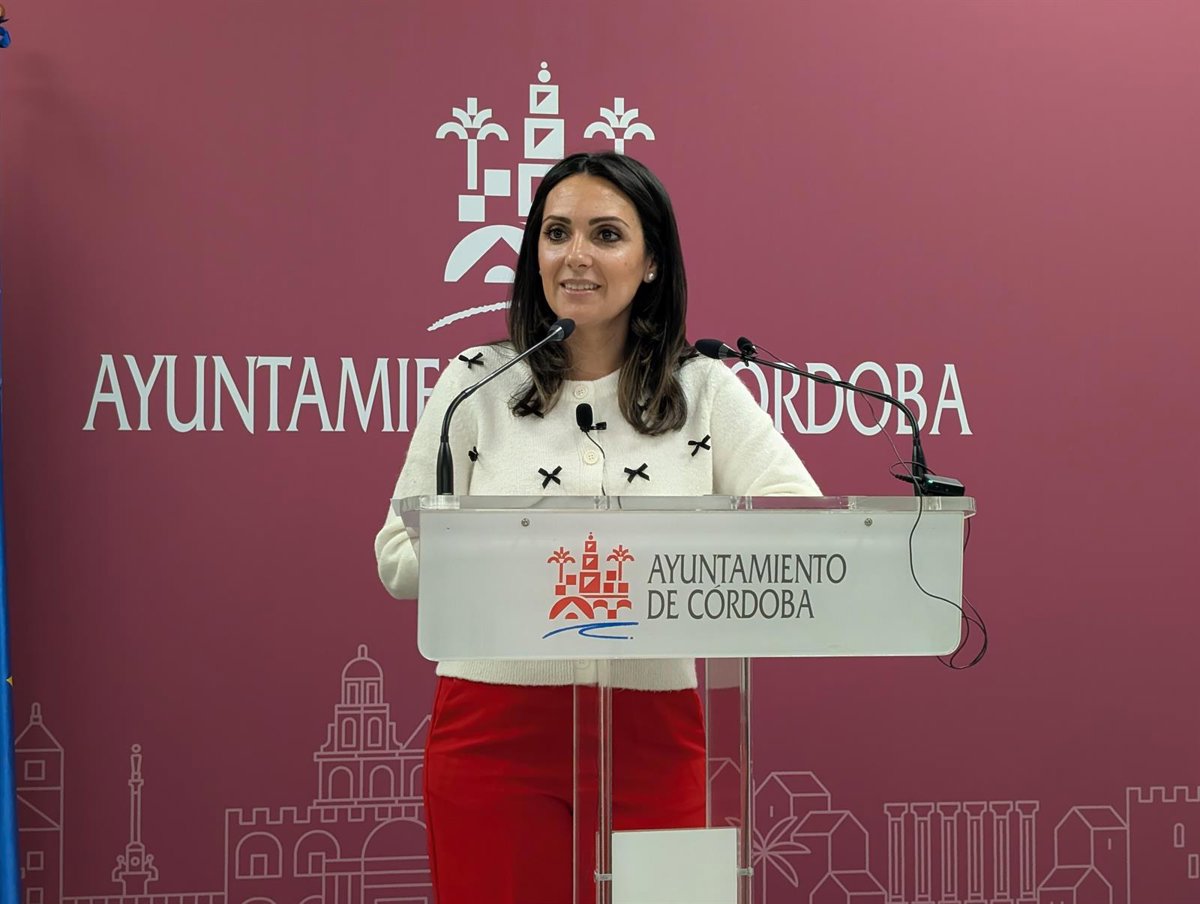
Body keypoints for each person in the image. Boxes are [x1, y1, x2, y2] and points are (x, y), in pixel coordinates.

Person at [375, 151, 820, 904]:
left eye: (606, 234)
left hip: (655, 732)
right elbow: (397, 556)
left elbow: (795, 527)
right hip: (495, 729)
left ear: (652, 263)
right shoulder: (476, 383)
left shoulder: (704, 390)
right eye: (556, 233)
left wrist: (655, 564)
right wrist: (513, 558)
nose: (575, 255)